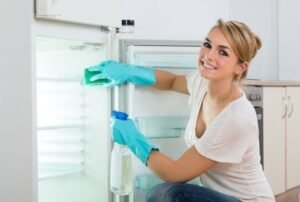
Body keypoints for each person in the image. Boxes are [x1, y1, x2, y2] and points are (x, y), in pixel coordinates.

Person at [86, 19, 275, 202]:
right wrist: (129, 71)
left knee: (168, 195)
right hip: (219, 197)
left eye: (223, 52)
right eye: (208, 45)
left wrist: (133, 138)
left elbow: (175, 174)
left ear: (240, 67)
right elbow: (171, 81)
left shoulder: (236, 117)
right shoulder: (202, 83)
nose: (209, 55)